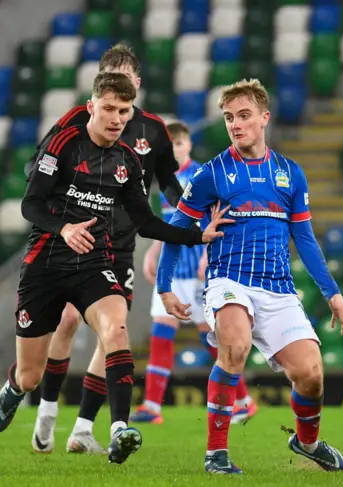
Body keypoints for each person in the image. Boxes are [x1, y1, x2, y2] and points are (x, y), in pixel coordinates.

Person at [0, 72, 231, 467]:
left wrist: (197, 236)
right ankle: (15, 389)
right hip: (46, 264)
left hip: (94, 265)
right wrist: (64, 228)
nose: (116, 118)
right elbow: (30, 204)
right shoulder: (63, 144)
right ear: (91, 107)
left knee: (115, 327)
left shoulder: (128, 161)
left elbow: (145, 220)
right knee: (31, 374)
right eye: (109, 110)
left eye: (124, 111)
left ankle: (119, 428)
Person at [155, 79, 343, 474]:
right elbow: (175, 229)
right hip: (229, 280)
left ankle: (307, 442)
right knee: (236, 344)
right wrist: (164, 286)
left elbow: (305, 238)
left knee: (311, 375)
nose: (235, 125)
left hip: (278, 288)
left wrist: (331, 291)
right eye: (229, 118)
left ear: (264, 118)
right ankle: (216, 454)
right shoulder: (212, 174)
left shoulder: (290, 174)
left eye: (243, 116)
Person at [27, 44, 187, 455]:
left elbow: (168, 180)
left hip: (123, 243)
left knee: (111, 335)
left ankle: (84, 428)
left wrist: (188, 211)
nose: (119, 85)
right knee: (65, 322)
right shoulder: (75, 123)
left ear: (137, 83)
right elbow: (37, 169)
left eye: (126, 76)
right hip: (78, 239)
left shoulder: (153, 130)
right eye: (110, 73)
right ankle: (46, 411)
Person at [131, 121, 257, 425]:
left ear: (187, 145)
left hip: (200, 272)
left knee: (212, 339)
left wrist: (207, 255)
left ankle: (243, 400)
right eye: (168, 145)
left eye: (179, 144)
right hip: (173, 272)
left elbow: (215, 218)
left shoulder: (203, 175)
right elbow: (169, 223)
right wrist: (153, 250)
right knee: (161, 335)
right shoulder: (162, 180)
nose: (174, 149)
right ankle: (152, 406)